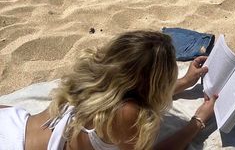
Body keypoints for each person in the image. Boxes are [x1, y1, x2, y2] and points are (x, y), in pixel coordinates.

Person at [0, 30, 218, 150]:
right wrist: (196, 123)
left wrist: (184, 82)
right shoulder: (127, 114)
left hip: (13, 121)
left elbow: (144, 93)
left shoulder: (98, 79)